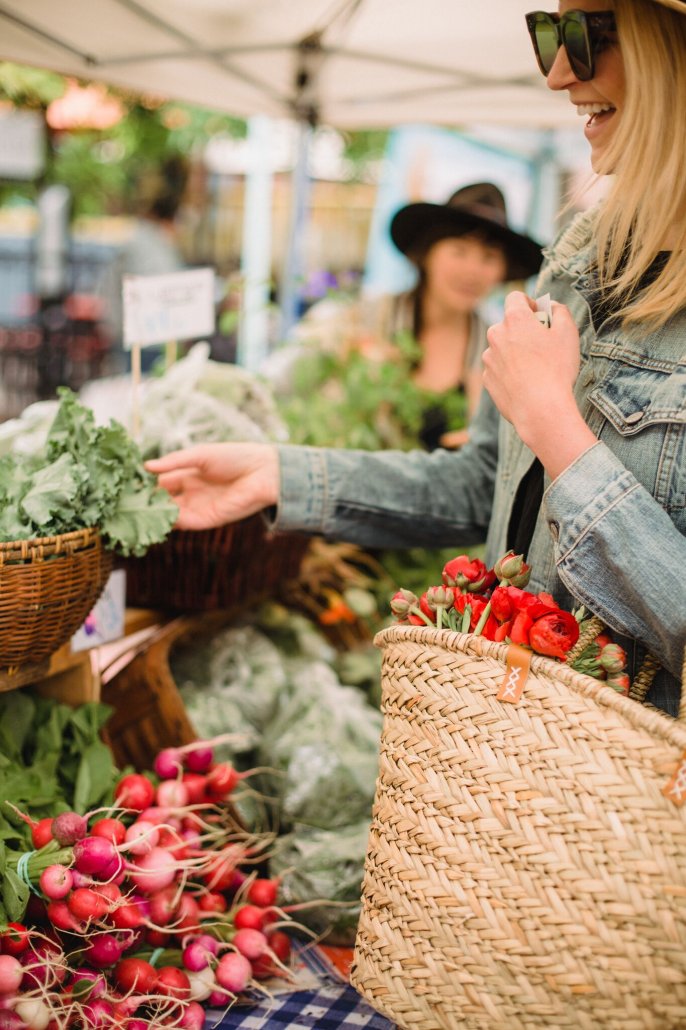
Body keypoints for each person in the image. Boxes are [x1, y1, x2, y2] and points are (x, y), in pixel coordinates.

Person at [146, 0, 686, 717]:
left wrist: (557, 428)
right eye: (548, 33)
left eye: (587, 35)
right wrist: (281, 472)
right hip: (507, 755)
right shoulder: (578, 264)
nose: (558, 72)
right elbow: (477, 487)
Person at [278, 184, 542, 450]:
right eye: (459, 251)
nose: (472, 270)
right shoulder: (355, 320)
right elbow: (281, 387)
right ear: (427, 253)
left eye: (489, 257)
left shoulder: (498, 347)